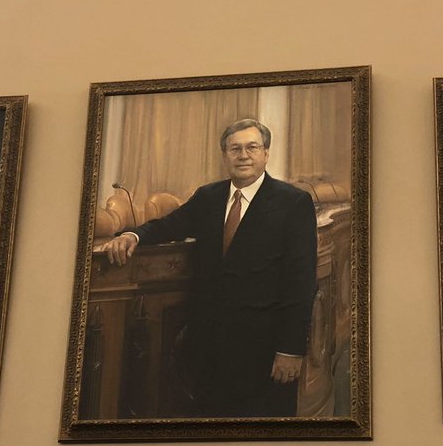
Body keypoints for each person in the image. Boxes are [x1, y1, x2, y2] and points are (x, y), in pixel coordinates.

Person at [101, 118, 318, 417]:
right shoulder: (209, 197)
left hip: (265, 352)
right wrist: (132, 235)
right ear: (225, 155)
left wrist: (291, 349)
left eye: (252, 147)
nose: (243, 155)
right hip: (209, 348)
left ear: (266, 154)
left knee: (265, 443)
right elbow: (168, 226)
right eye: (235, 149)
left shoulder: (293, 203)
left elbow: (301, 282)